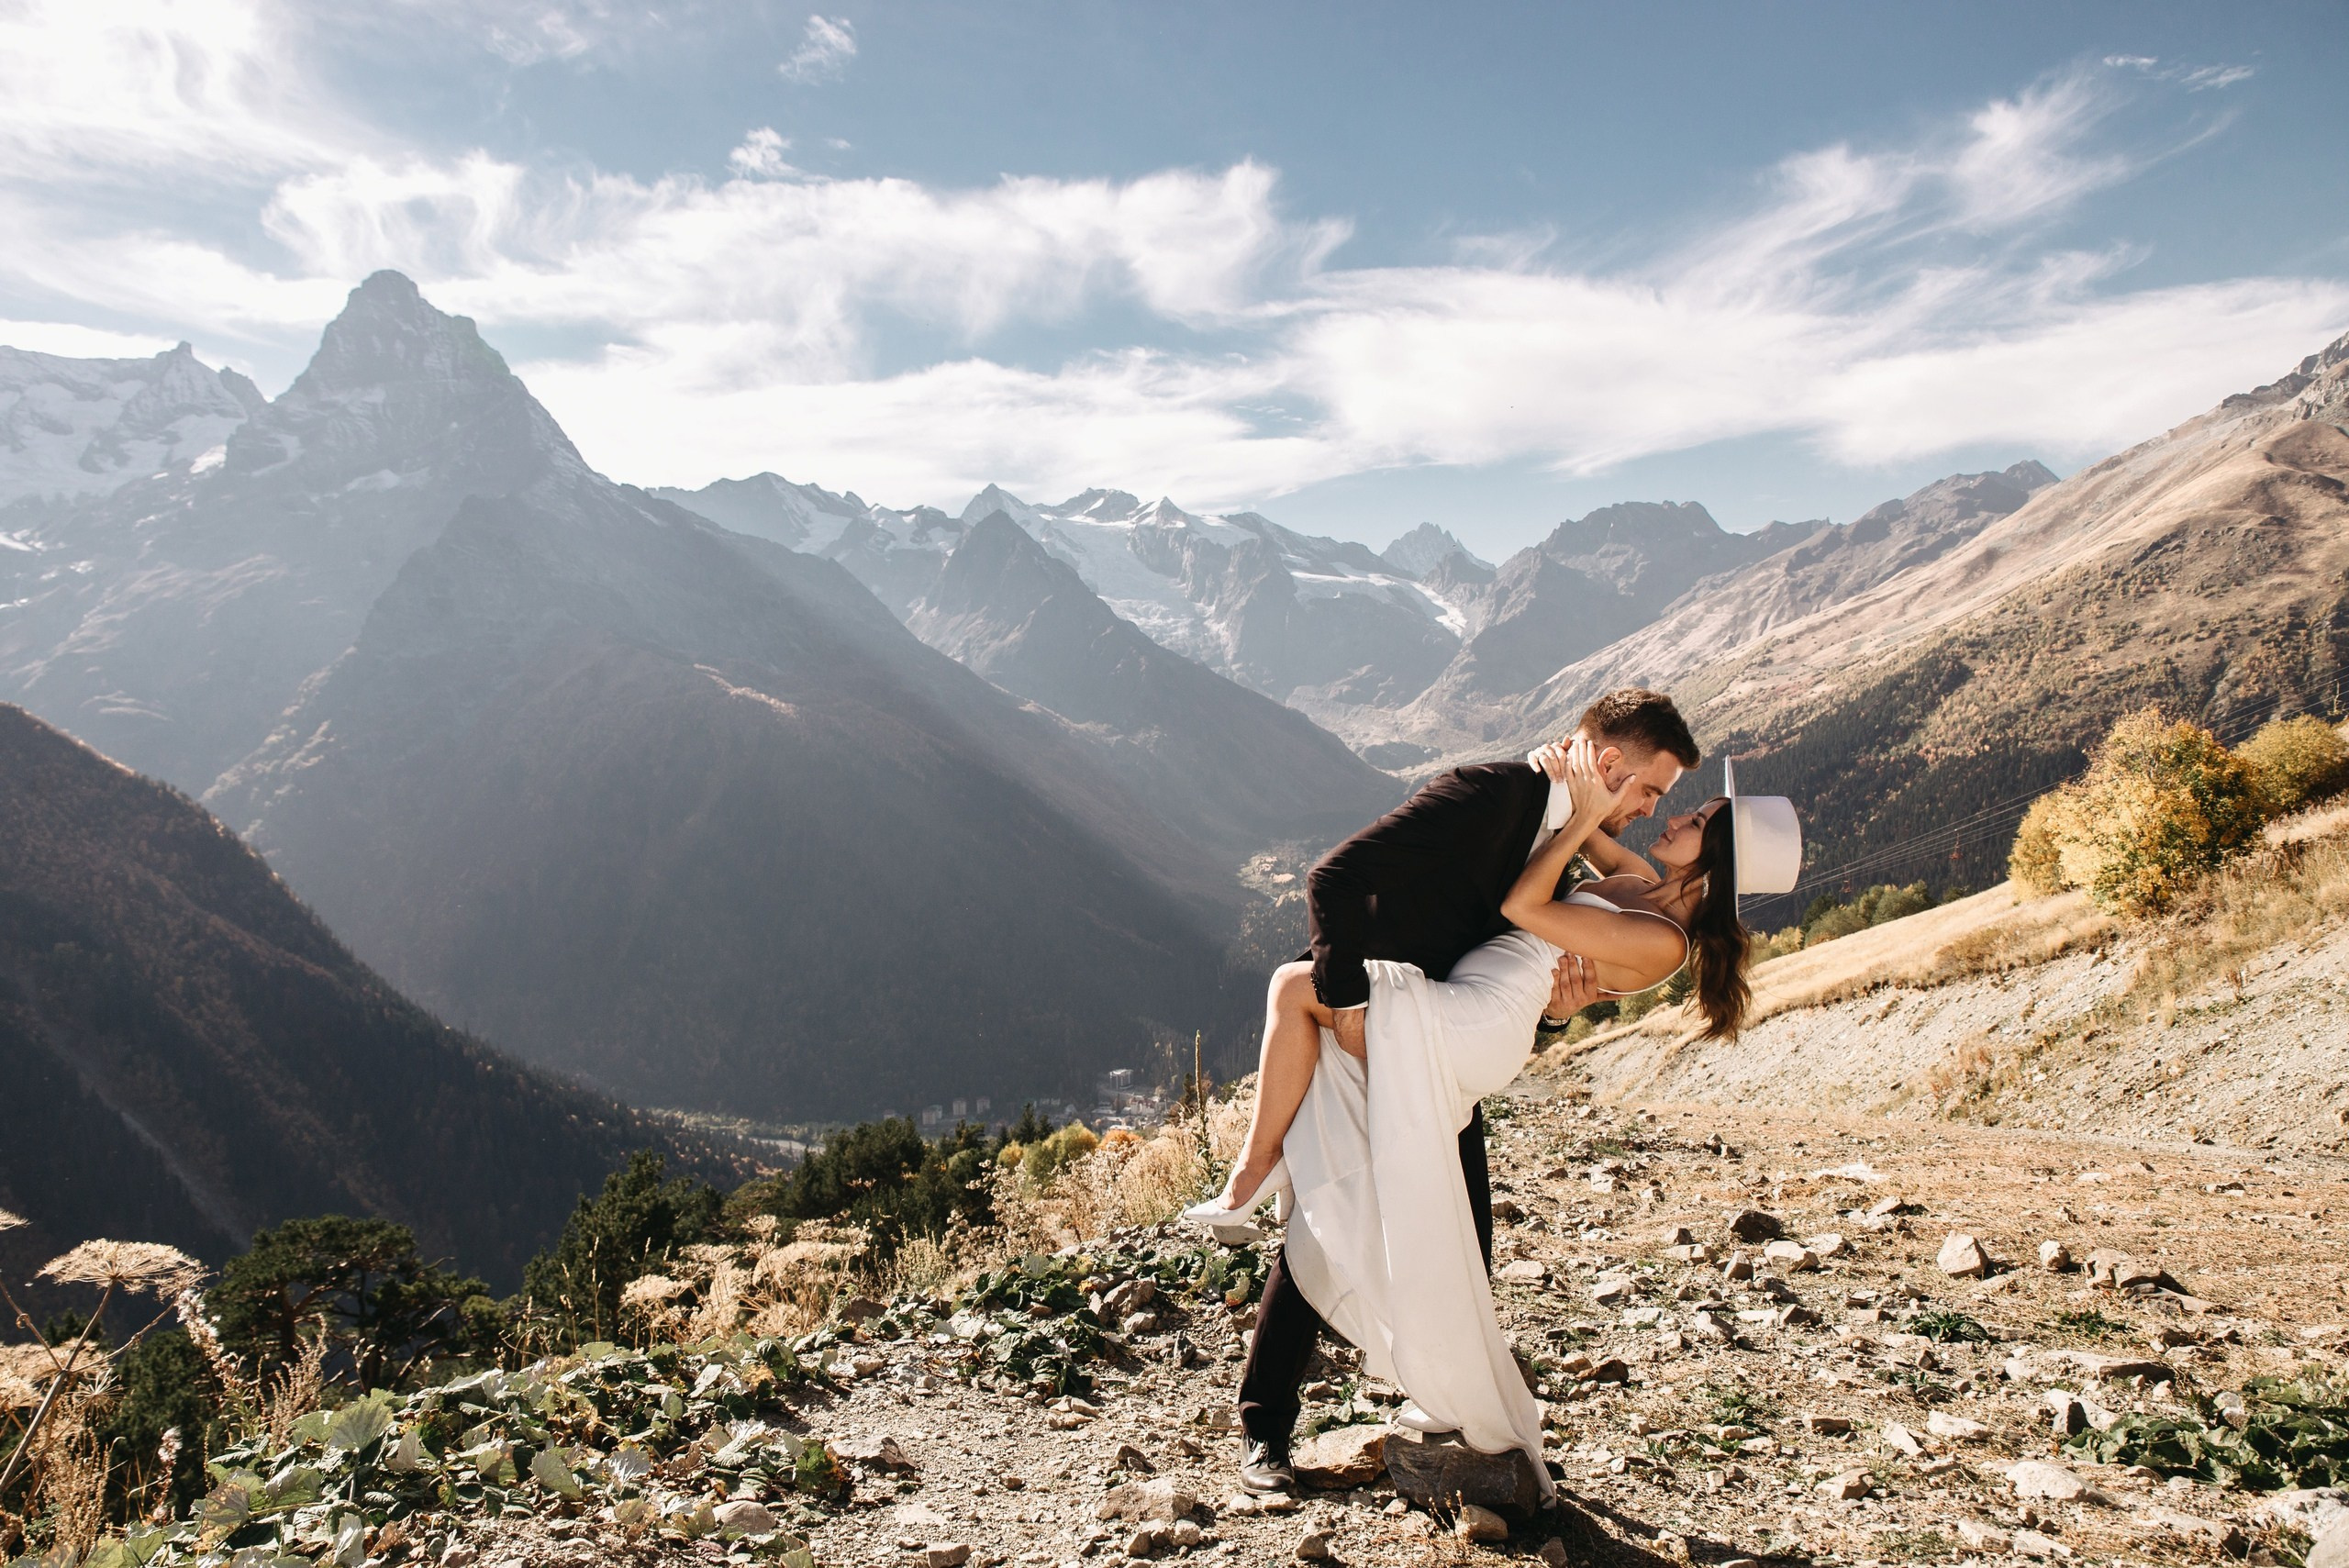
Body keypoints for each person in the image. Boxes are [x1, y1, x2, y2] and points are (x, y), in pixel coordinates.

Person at [1197, 736, 1800, 1494]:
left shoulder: (1660, 938)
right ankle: (1330, 1416)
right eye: (1670, 797)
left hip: (1472, 1027)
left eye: (1701, 816)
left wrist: (1580, 821)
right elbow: (1587, 819)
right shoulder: (1641, 881)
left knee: (1299, 994)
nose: (1672, 813)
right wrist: (1568, 775)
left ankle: (1258, 1178)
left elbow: (1528, 905)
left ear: (1720, 858)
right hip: (1461, 1008)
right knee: (1425, 1220)